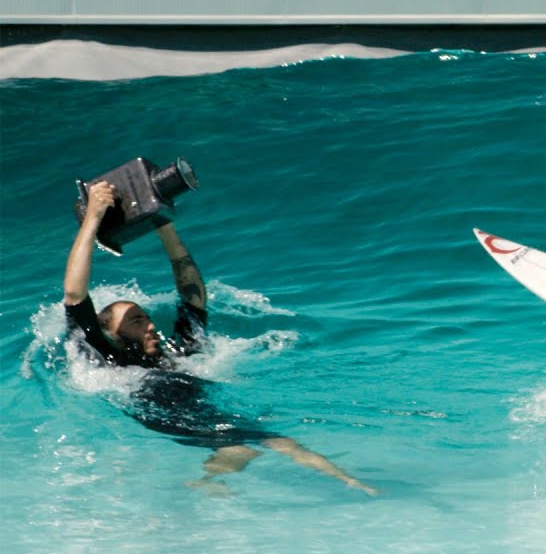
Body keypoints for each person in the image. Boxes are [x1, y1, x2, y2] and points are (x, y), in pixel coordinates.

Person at [64, 180, 376, 496]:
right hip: (161, 414)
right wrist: (93, 216)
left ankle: (353, 484)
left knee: (272, 442)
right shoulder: (109, 358)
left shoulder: (175, 354)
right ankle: (206, 485)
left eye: (146, 317)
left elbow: (193, 297)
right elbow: (75, 294)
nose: (149, 325)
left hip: (199, 409)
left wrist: (164, 228)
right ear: (111, 334)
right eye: (135, 320)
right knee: (248, 445)